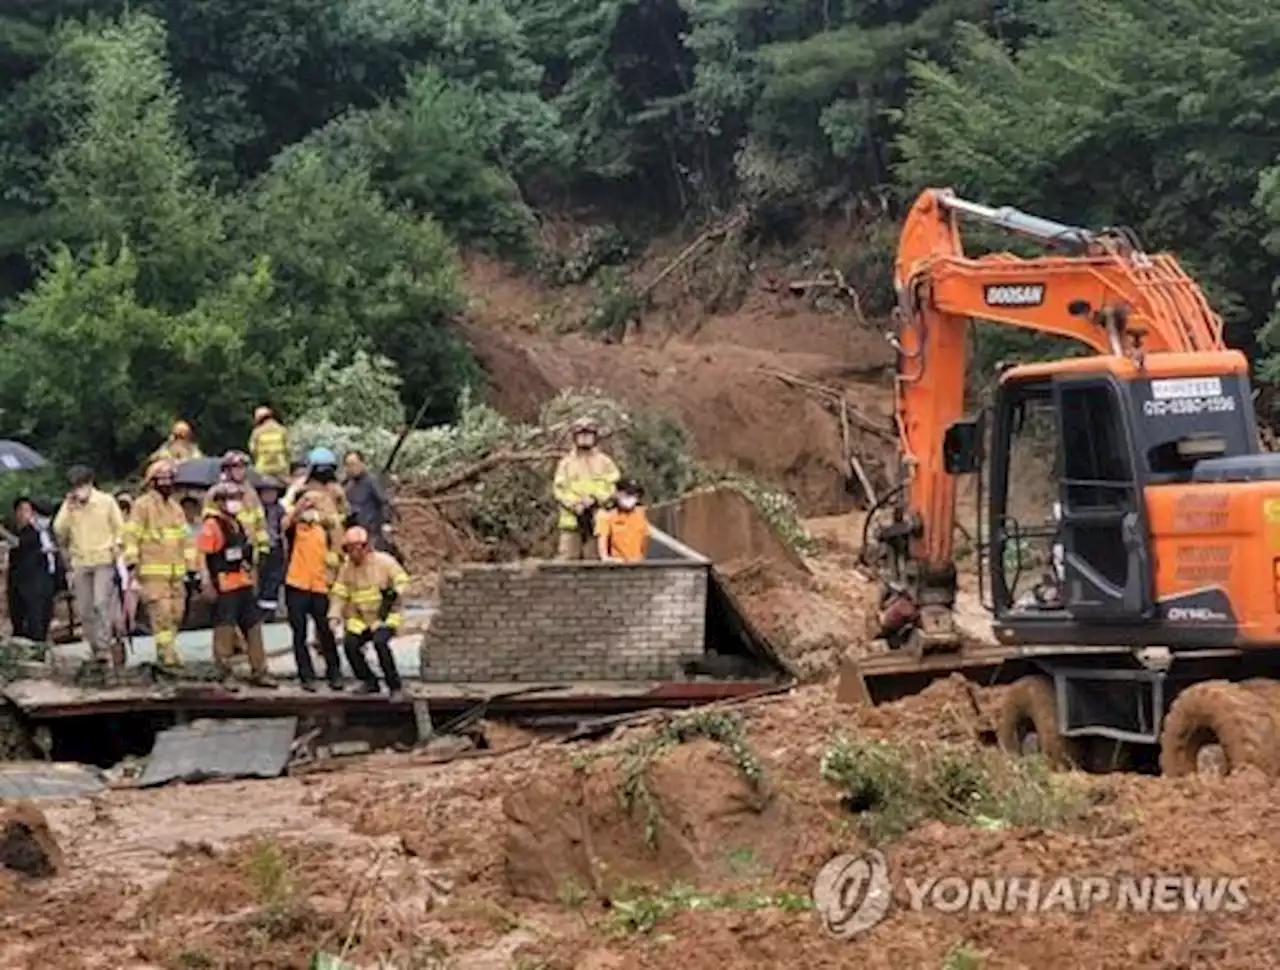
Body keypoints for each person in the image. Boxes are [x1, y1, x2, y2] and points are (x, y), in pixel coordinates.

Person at [196, 482, 276, 690]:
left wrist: (253, 576)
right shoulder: (212, 525)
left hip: (243, 583)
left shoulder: (237, 523)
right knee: (225, 629)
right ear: (220, 502)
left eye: (237, 498)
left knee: (253, 626)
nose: (235, 503)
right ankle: (224, 673)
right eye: (230, 498)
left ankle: (260, 671)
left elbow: (245, 554)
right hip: (224, 585)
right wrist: (206, 581)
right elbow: (202, 555)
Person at [281, 448, 347, 691]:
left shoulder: (329, 515)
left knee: (325, 632)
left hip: (320, 581)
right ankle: (306, 676)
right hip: (297, 581)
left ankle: (334, 673)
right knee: (299, 633)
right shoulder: (295, 516)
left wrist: (335, 562)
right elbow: (284, 525)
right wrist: (299, 509)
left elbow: (339, 530)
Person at [124, 460, 194, 668]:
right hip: (152, 574)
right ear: (152, 481)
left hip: (176, 574)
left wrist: (192, 567)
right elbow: (132, 535)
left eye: (169, 479)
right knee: (162, 614)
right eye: (161, 479)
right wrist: (131, 563)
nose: (166, 483)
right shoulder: (142, 506)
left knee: (176, 614)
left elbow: (187, 540)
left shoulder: (175, 508)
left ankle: (168, 650)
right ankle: (167, 657)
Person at [52, 466, 125, 666]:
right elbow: (59, 531)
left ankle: (104, 646)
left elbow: (120, 528)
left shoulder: (106, 501)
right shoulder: (70, 506)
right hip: (81, 562)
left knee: (101, 603)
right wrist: (68, 509)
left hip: (103, 559)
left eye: (81, 485)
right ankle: (95, 649)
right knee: (84, 609)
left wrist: (116, 548)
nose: (78, 490)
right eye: (75, 486)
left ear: (90, 484)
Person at [329, 526, 409, 698]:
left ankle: (395, 687)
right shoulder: (346, 568)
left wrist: (395, 592)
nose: (351, 554)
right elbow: (339, 593)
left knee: (380, 643)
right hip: (361, 617)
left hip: (387, 616)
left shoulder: (384, 562)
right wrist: (334, 616)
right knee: (350, 644)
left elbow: (402, 580)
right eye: (348, 549)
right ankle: (368, 682)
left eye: (354, 549)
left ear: (365, 547)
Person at [552, 417, 620, 560]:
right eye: (581, 435)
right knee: (567, 561)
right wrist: (575, 504)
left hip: (597, 522)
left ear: (595, 437)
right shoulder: (566, 463)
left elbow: (614, 486)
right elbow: (559, 490)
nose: (584, 438)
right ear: (574, 437)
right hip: (571, 522)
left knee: (594, 562)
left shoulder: (605, 462)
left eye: (588, 435)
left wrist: (595, 498)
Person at [8, 498, 57, 641]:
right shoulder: (26, 531)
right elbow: (18, 543)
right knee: (30, 619)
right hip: (27, 584)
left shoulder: (47, 531)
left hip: (45, 581)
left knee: (42, 617)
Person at [203, 451, 268, 557]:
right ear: (226, 470)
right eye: (236, 468)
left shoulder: (251, 493)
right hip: (226, 549)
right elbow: (210, 522)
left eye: (242, 468)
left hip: (250, 550)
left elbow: (260, 521)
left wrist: (263, 548)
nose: (241, 471)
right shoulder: (216, 492)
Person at [342, 450, 396, 551]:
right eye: (348, 465)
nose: (351, 468)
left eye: (354, 464)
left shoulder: (371, 481)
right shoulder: (347, 486)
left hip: (372, 533)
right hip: (355, 535)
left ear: (362, 463)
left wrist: (386, 523)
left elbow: (384, 502)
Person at [596, 478, 650, 563]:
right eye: (628, 494)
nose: (632, 498)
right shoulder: (606, 514)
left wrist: (641, 559)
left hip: (637, 563)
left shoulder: (640, 512)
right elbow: (603, 546)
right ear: (618, 494)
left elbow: (645, 539)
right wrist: (608, 559)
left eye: (636, 495)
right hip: (616, 565)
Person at [257, 477, 286, 618]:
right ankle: (258, 608)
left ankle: (269, 610)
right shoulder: (256, 509)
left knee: (273, 579)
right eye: (266, 492)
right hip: (259, 548)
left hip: (275, 547)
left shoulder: (280, 510)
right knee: (260, 578)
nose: (270, 495)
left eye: (273, 492)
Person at [249, 406, 290, 478]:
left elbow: (252, 449)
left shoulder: (257, 432)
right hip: (280, 467)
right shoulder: (282, 430)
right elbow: (288, 449)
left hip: (263, 468)